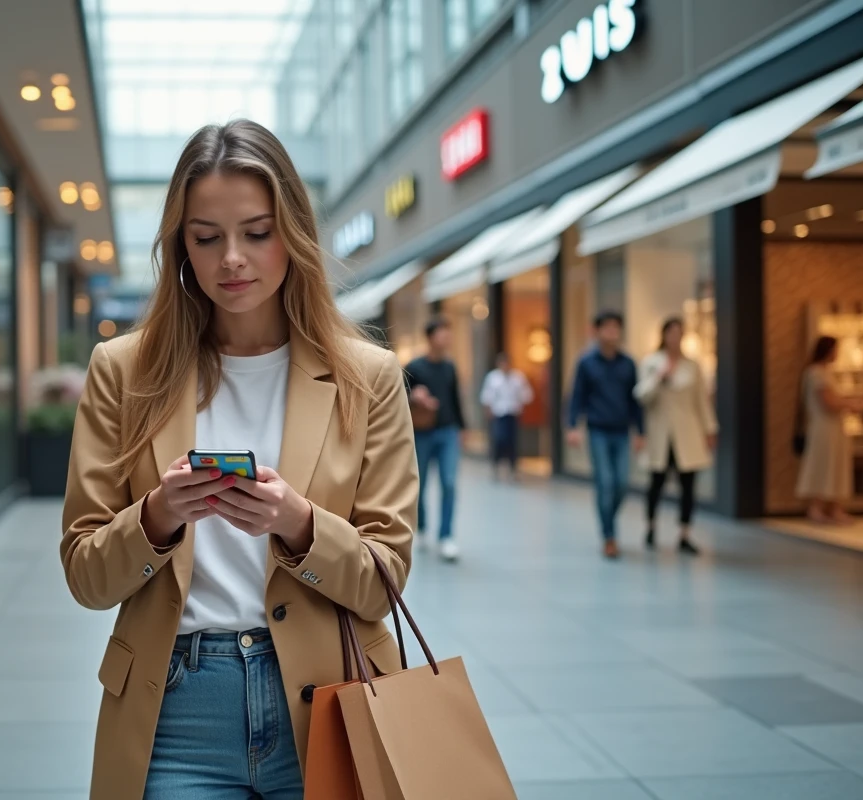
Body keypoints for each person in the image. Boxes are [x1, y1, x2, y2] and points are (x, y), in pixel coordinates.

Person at [60, 120, 417, 800]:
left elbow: (385, 580)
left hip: (333, 699)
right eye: (206, 236)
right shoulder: (124, 371)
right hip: (175, 708)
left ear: (295, 234)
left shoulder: (367, 377)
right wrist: (157, 517)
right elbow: (86, 575)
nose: (231, 258)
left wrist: (300, 523)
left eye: (257, 232)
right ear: (180, 245)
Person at [634, 318, 718, 554]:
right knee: (656, 484)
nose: (676, 338)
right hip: (660, 433)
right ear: (664, 335)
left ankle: (685, 534)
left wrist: (710, 429)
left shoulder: (692, 366)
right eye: (672, 333)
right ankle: (651, 527)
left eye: (680, 333)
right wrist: (659, 377)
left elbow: (701, 401)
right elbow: (641, 396)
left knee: (688, 486)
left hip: (687, 432)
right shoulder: (651, 363)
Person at [567, 311, 644, 559]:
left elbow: (635, 400)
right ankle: (609, 536)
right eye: (607, 328)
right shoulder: (587, 363)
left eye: (615, 328)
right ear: (596, 331)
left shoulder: (628, 364)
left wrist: (640, 431)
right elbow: (576, 396)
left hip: (622, 430)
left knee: (621, 483)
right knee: (605, 482)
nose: (611, 333)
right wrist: (572, 426)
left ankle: (608, 519)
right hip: (597, 429)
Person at [404, 318, 467, 561]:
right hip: (421, 433)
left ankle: (446, 536)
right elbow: (396, 394)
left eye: (448, 334)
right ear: (430, 337)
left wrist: (463, 428)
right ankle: (421, 528)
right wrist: (415, 395)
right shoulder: (415, 367)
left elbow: (455, 399)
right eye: (442, 334)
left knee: (449, 483)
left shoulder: (450, 367)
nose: (447, 339)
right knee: (419, 484)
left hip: (448, 432)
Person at [796, 336, 862, 524]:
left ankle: (834, 507)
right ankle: (817, 506)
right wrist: (850, 404)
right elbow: (827, 402)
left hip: (833, 427)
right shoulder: (816, 373)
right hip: (824, 427)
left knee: (835, 466)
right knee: (823, 464)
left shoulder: (825, 372)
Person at [480, 352, 533, 480]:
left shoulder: (518, 377)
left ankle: (513, 467)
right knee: (499, 439)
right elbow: (487, 396)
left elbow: (527, 394)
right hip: (498, 413)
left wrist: (521, 404)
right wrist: (488, 411)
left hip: (513, 413)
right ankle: (496, 465)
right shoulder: (492, 378)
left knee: (512, 441)